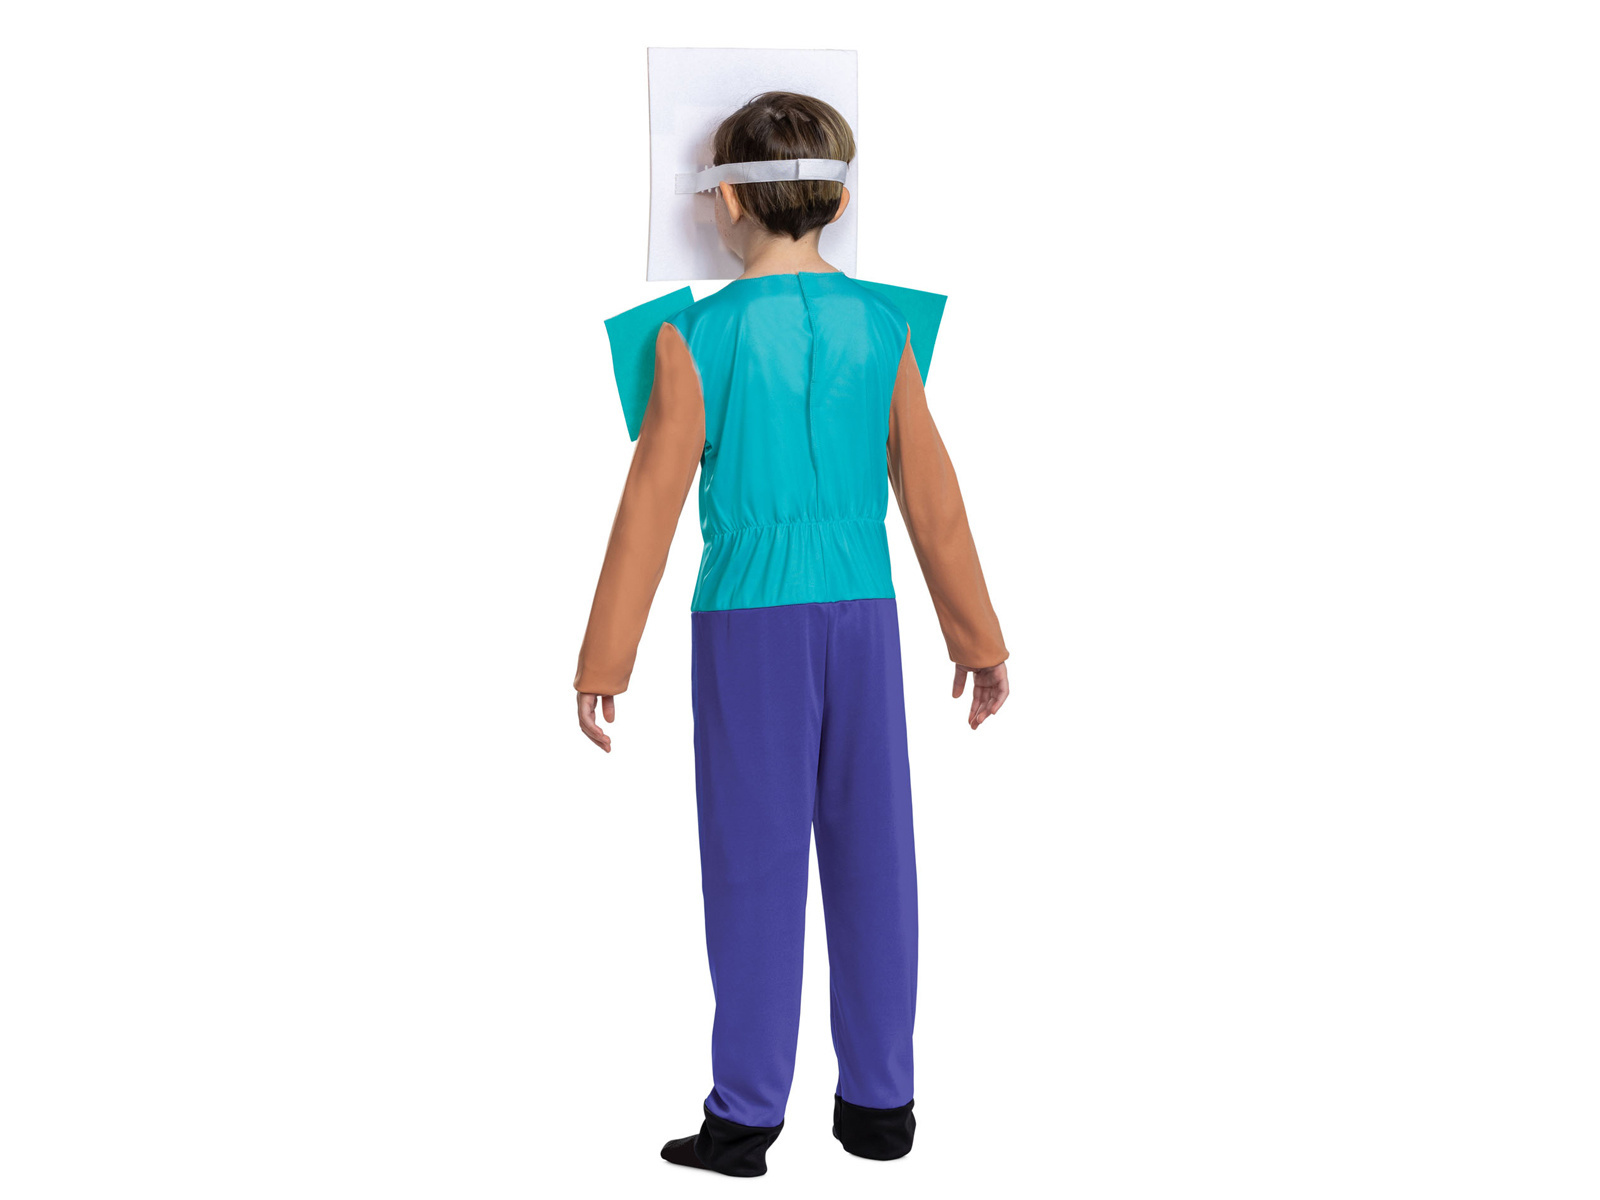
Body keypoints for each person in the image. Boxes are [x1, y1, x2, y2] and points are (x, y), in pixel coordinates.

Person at [573, 91, 1009, 1177]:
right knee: (876, 852)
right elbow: (934, 500)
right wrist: (978, 640)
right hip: (864, 613)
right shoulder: (883, 327)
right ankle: (880, 1108)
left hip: (748, 625)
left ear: (724, 202)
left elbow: (650, 506)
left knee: (753, 863)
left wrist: (605, 659)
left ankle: (745, 1118)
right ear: (838, 203)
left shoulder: (695, 336)